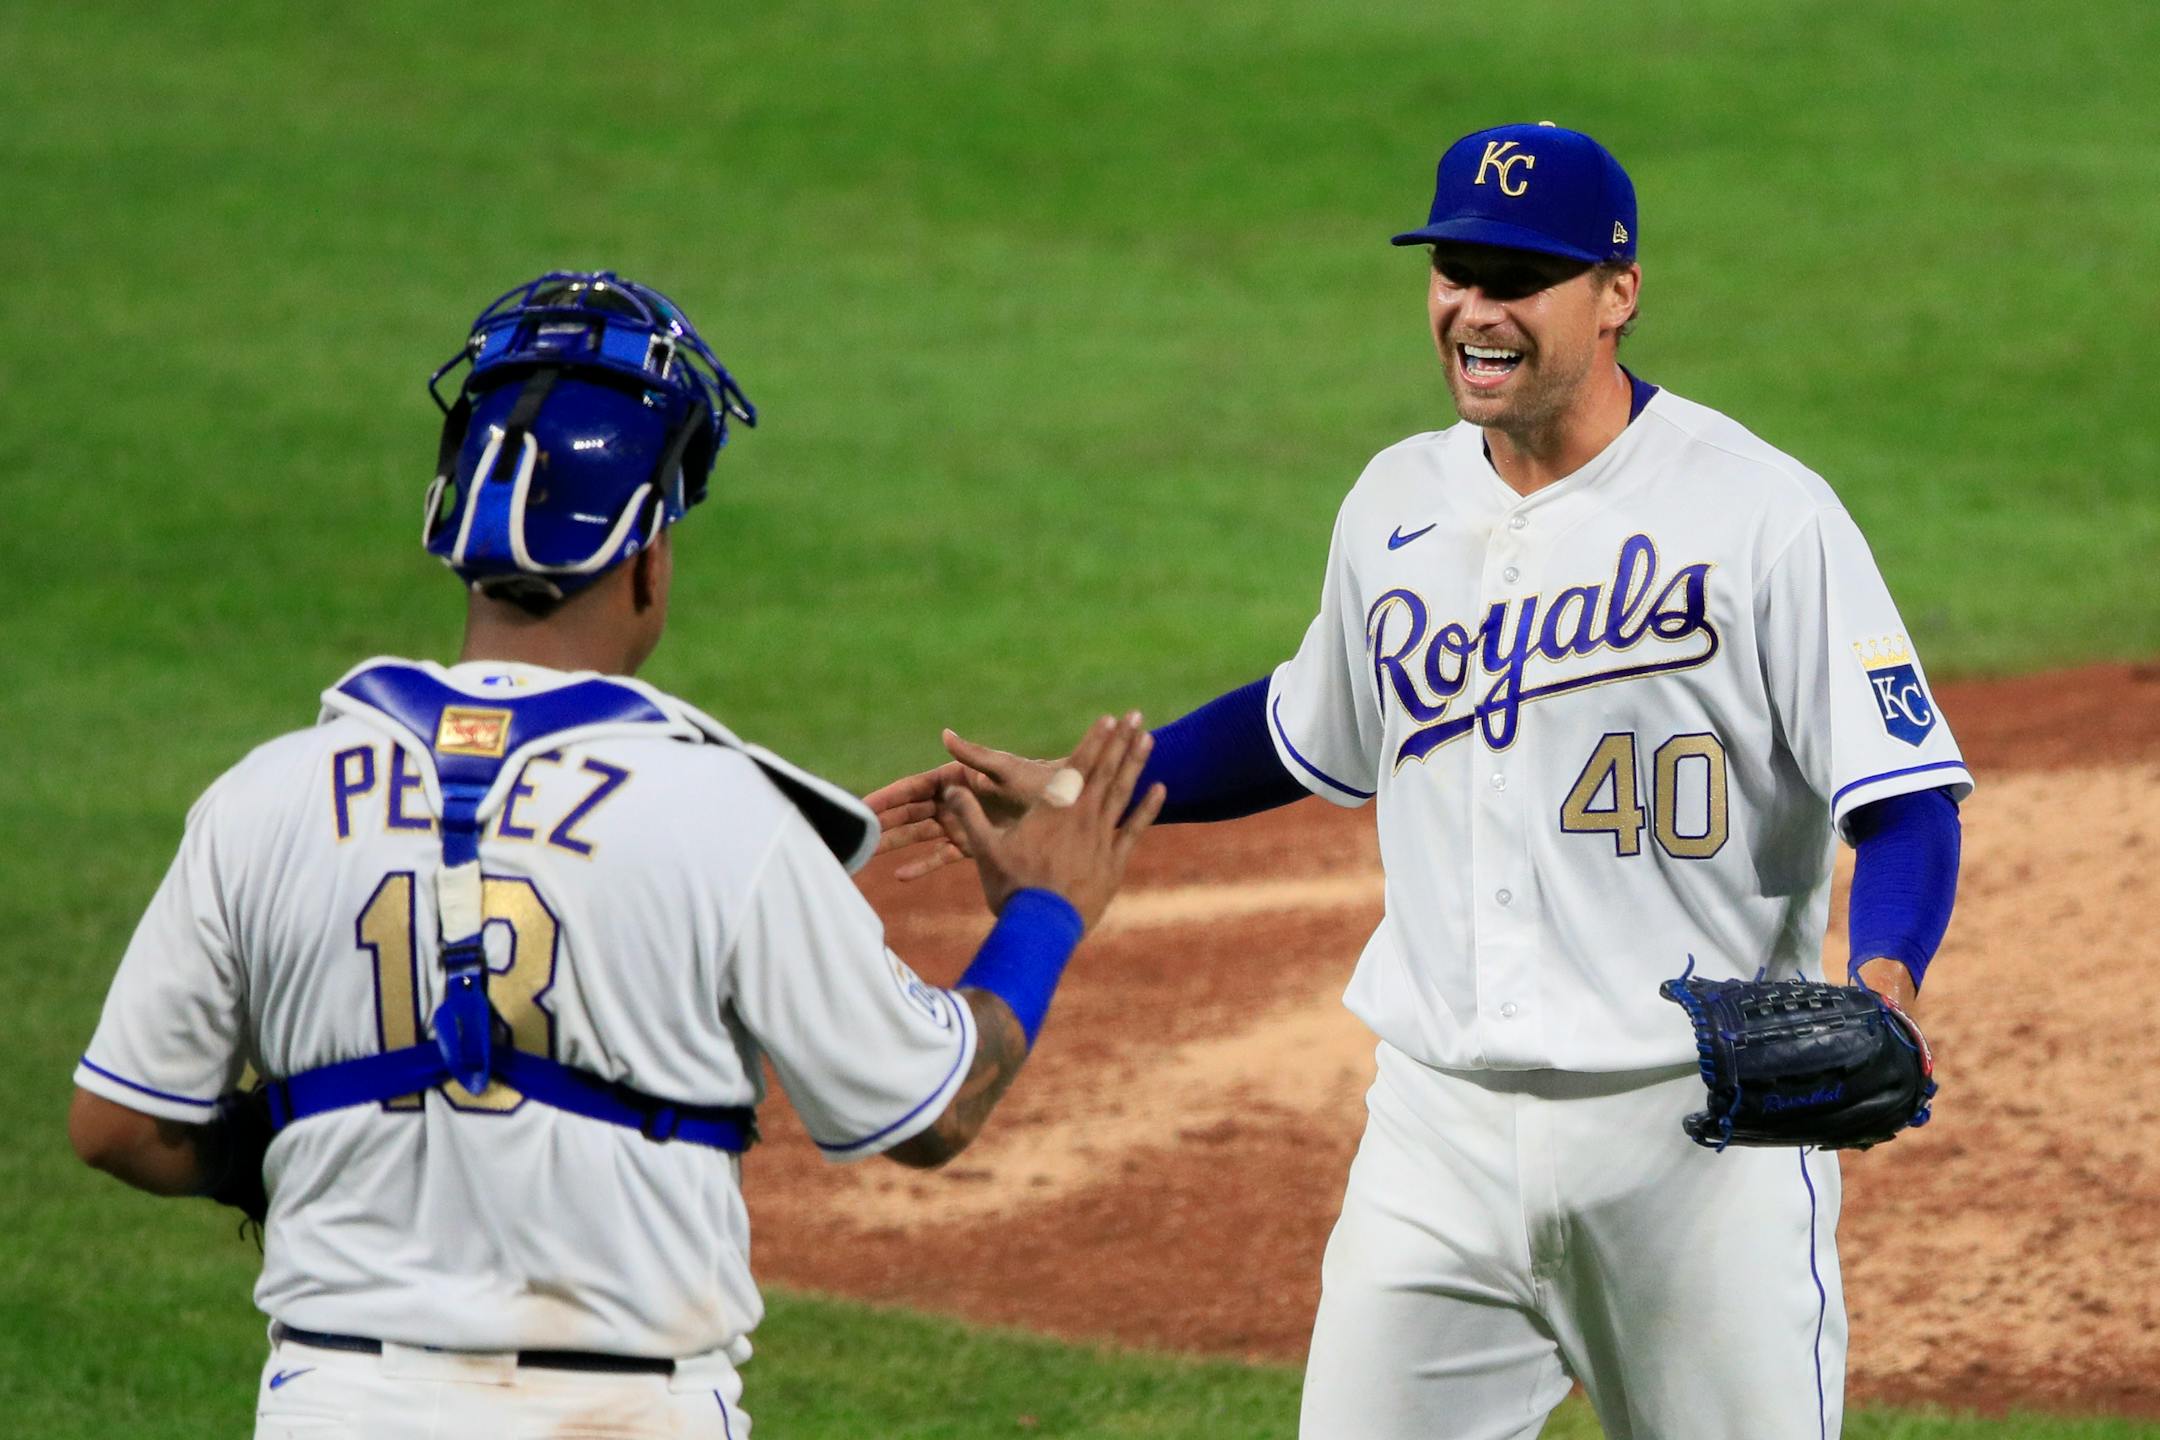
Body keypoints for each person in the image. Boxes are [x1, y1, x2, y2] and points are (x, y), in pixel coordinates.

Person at [867, 124, 1969, 1438]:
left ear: (1617, 294)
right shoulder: (1396, 501)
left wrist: (1889, 980)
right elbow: (1301, 727)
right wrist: (1080, 791)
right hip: (1435, 1140)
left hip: (1694, 1147)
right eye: (1455, 270)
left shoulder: (1765, 513)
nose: (1475, 309)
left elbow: (1902, 794)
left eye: (1519, 278)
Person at [67, 270, 1165, 1439]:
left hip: (332, 1404)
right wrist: (1045, 912)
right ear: (647, 561)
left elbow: (120, 1126)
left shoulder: (264, 796)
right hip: (620, 1415)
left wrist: (294, 1150)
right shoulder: (725, 817)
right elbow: (930, 1110)